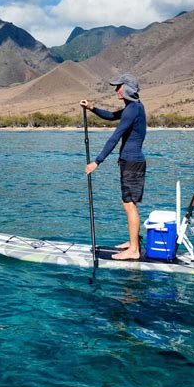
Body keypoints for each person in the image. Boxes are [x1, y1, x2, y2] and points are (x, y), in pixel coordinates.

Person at [80, 73, 147, 260]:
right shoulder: (132, 108)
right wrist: (92, 107)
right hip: (130, 163)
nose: (116, 90)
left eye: (119, 86)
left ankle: (134, 250)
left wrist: (97, 161)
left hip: (132, 164)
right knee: (128, 203)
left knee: (129, 204)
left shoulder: (133, 109)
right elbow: (111, 116)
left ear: (128, 89)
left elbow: (115, 137)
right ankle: (133, 242)